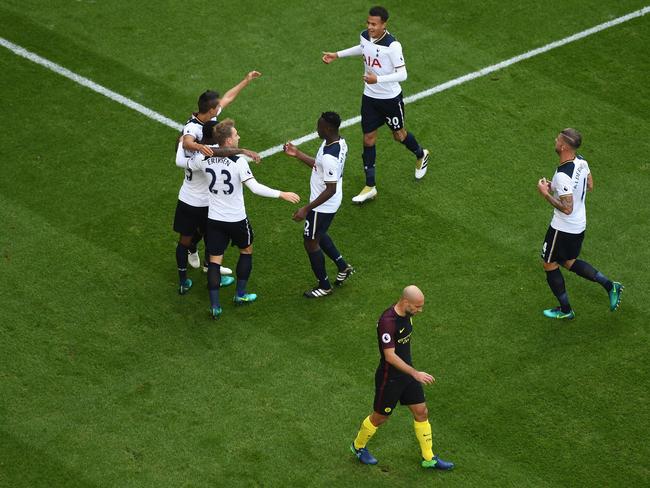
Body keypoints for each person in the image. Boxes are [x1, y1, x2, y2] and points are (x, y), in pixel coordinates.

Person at [187, 119, 300, 318]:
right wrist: (281, 194)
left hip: (214, 219)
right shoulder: (238, 162)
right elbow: (255, 188)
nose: (239, 136)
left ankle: (215, 306)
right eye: (236, 135)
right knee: (246, 251)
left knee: (214, 261)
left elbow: (189, 163)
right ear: (228, 141)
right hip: (237, 219)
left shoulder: (204, 157)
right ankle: (240, 295)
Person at [322, 6, 429, 204]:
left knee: (399, 135)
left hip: (390, 99)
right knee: (368, 139)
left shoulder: (393, 46)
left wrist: (377, 80)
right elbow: (362, 48)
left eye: (374, 24)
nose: (370, 27)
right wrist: (337, 55)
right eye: (368, 23)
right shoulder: (364, 36)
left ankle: (421, 154)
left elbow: (403, 74)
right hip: (369, 98)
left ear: (383, 25)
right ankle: (370, 186)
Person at [350, 285, 454, 470]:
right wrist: (415, 373)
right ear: (406, 302)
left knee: (421, 412)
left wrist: (411, 373)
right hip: (390, 379)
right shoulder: (387, 322)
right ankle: (358, 447)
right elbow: (389, 356)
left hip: (407, 375)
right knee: (380, 418)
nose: (420, 311)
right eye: (417, 306)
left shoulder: (407, 315)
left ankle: (428, 458)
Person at [174, 71, 261, 288]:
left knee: (210, 235)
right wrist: (200, 148)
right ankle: (186, 275)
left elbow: (228, 98)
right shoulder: (193, 128)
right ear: (210, 110)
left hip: (208, 196)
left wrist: (246, 80)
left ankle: (207, 265)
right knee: (188, 239)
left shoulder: (210, 117)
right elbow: (186, 142)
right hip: (194, 195)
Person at [537, 128, 623, 319]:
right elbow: (589, 185)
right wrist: (556, 188)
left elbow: (567, 208)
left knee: (549, 263)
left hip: (562, 228)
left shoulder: (562, 175)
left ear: (563, 146)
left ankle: (566, 310)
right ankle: (610, 286)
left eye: (557, 140)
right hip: (578, 225)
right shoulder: (581, 161)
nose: (555, 141)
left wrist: (546, 194)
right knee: (568, 261)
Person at [283, 112, 355, 298]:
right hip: (328, 200)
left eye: (320, 126)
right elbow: (320, 167)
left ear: (328, 128)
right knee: (319, 234)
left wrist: (306, 209)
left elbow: (329, 189)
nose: (317, 129)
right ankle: (343, 266)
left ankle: (324, 285)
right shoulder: (337, 142)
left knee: (310, 242)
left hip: (323, 205)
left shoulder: (331, 156)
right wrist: (298, 154)